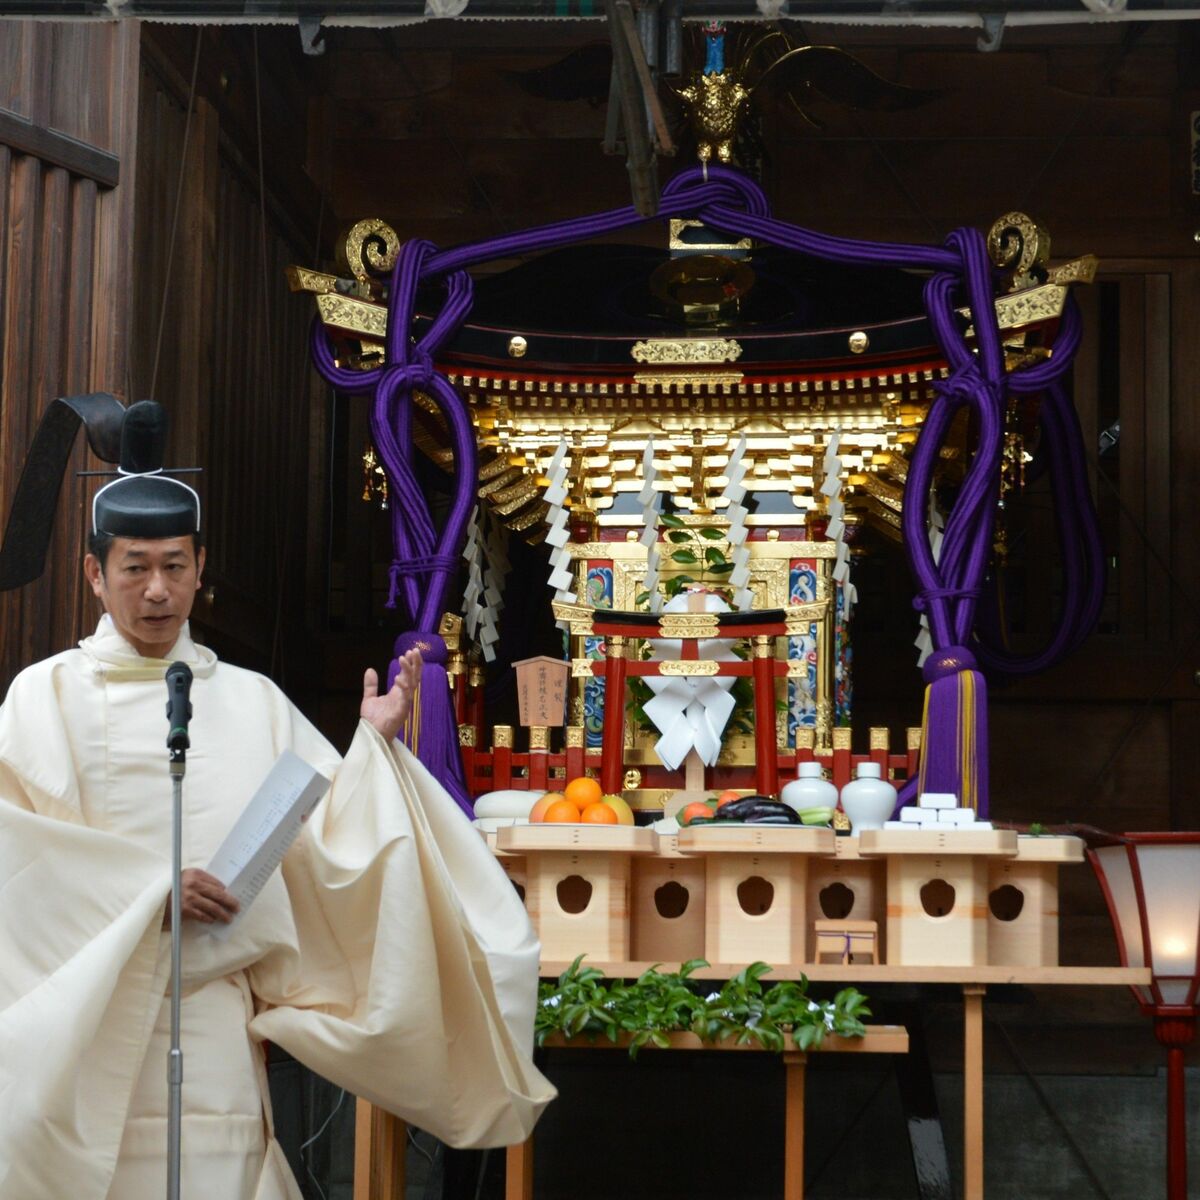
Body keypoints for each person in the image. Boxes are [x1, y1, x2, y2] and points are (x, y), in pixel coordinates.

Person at [0, 404, 554, 1199]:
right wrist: (148, 890)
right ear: (96, 574)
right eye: (133, 568)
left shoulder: (252, 701)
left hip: (212, 1017)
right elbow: (16, 859)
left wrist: (372, 751)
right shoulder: (41, 698)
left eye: (174, 567)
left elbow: (331, 841)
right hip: (82, 1021)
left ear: (200, 567)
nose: (157, 591)